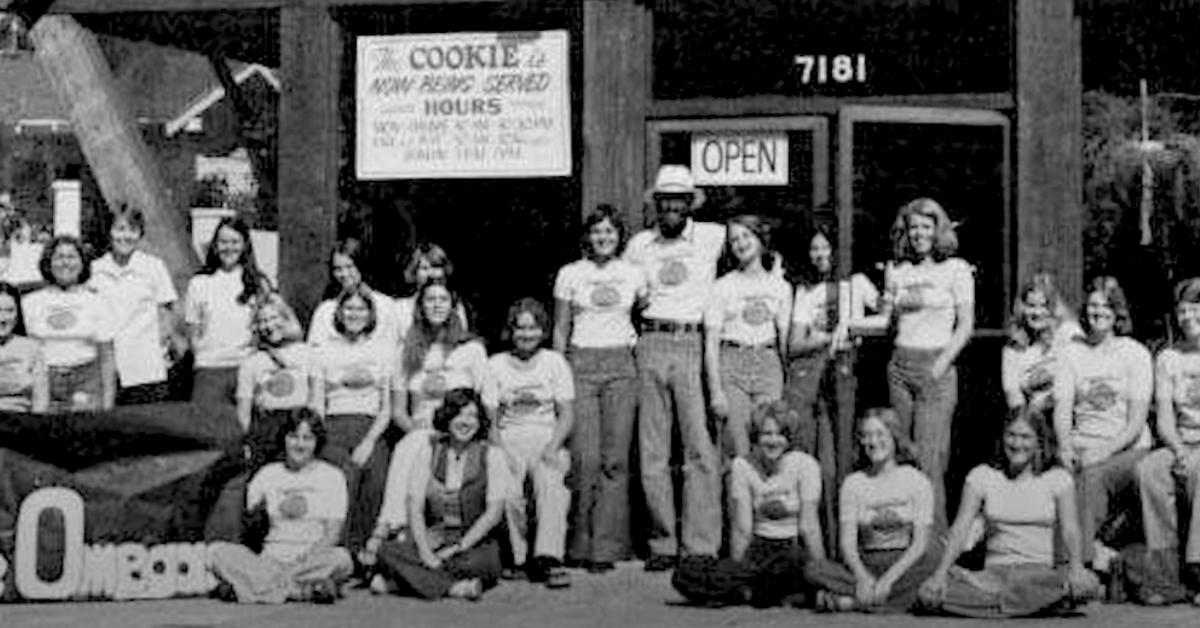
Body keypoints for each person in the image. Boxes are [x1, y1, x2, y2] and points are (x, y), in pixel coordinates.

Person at [623, 164, 725, 570]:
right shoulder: (639, 245)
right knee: (653, 450)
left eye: (678, 200)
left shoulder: (713, 237)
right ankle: (663, 543)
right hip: (650, 340)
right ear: (656, 204)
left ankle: (700, 544)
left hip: (691, 341)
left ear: (689, 203)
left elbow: (755, 243)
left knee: (699, 448)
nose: (671, 207)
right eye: (664, 200)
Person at [918, 409, 1100, 617]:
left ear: (1039, 441)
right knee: (929, 591)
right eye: (1011, 435)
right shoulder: (981, 476)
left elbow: (1070, 530)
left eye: (1025, 437)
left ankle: (996, 605)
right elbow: (960, 528)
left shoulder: (1058, 478)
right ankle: (1028, 605)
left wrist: (1076, 568)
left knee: (1086, 585)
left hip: (1039, 575)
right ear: (1002, 437)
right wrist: (940, 574)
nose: (1017, 443)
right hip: (993, 575)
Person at [552, 204, 645, 572]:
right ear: (587, 237)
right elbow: (560, 326)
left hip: (622, 364)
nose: (603, 237)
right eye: (596, 231)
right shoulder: (571, 273)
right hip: (581, 363)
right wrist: (558, 370)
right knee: (584, 458)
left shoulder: (633, 274)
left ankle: (607, 548)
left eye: (609, 231)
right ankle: (579, 544)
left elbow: (642, 314)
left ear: (619, 235)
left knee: (615, 459)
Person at [370, 280, 487, 555]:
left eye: (443, 300)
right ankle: (398, 528)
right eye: (430, 300)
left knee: (409, 447)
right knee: (410, 444)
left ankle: (386, 527)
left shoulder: (470, 349)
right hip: (421, 430)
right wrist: (416, 429)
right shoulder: (406, 351)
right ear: (420, 307)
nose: (436, 305)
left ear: (453, 307)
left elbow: (483, 402)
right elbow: (399, 411)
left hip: (460, 431)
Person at [880, 198, 975, 529]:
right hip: (900, 366)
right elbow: (890, 322)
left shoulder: (956, 269)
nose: (919, 233)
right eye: (913, 227)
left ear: (938, 230)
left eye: (925, 226)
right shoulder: (899, 270)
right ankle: (904, 540)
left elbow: (966, 325)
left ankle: (935, 546)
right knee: (903, 455)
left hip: (935, 366)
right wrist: (888, 302)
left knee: (930, 460)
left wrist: (940, 364)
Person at [672, 401, 823, 607]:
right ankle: (752, 593)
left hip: (791, 548)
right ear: (756, 436)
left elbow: (809, 526)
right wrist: (737, 570)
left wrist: (820, 571)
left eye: (779, 434)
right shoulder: (742, 465)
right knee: (686, 572)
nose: (772, 441)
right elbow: (742, 528)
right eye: (766, 434)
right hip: (759, 549)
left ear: (789, 438)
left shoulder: (806, 465)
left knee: (795, 570)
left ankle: (754, 593)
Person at [785, 227, 879, 549]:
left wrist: (855, 327)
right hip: (811, 379)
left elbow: (887, 319)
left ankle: (852, 542)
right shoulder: (806, 291)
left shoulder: (858, 284)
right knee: (815, 461)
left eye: (827, 247)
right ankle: (820, 542)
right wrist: (829, 336)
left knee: (845, 460)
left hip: (848, 377)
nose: (821, 254)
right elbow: (796, 343)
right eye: (814, 249)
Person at [372, 388, 511, 601]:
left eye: (472, 416)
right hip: (434, 539)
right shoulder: (429, 450)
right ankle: (454, 588)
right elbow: (414, 507)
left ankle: (400, 584)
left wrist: (458, 547)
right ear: (446, 417)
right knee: (386, 551)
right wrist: (426, 551)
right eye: (458, 415)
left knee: (484, 562)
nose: (465, 422)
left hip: (472, 544)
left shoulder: (492, 455)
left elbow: (493, 514)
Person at [1053, 276, 1152, 568]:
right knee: (1060, 477)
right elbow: (1062, 408)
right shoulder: (1071, 352)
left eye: (1107, 306)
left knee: (1093, 475)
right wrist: (1065, 446)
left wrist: (1104, 451)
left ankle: (1077, 565)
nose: (1098, 312)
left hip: (1127, 449)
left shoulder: (1135, 354)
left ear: (1118, 312)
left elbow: (1136, 423)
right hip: (1082, 444)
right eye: (1093, 305)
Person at [209, 408, 353, 604]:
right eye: (294, 437)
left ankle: (252, 588)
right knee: (217, 552)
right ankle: (300, 592)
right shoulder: (267, 475)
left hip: (310, 560)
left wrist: (306, 559)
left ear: (317, 442)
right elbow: (251, 531)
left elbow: (332, 535)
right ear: (284, 439)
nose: (300, 444)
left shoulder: (332, 477)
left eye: (307, 438)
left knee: (342, 559)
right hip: (269, 561)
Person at [804, 407, 938, 613]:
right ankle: (888, 600)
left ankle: (850, 602)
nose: (873, 442)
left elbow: (920, 544)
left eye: (880, 434)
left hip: (904, 564)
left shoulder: (917, 481)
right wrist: (862, 577)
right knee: (815, 570)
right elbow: (847, 543)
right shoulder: (853, 483)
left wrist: (888, 580)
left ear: (894, 436)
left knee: (937, 564)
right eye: (866, 436)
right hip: (867, 561)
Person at [483, 298, 575, 588]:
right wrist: (502, 451)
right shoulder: (495, 364)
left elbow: (567, 414)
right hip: (508, 438)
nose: (526, 334)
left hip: (546, 435)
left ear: (543, 331)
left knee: (550, 480)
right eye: (520, 328)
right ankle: (519, 558)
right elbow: (491, 421)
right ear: (510, 331)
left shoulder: (554, 362)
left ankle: (549, 557)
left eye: (533, 328)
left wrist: (552, 446)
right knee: (508, 486)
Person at [311, 286, 395, 555]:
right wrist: (321, 437)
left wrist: (369, 441)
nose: (354, 314)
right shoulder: (323, 350)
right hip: (333, 426)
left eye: (361, 308)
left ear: (370, 314)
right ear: (339, 312)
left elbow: (387, 407)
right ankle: (338, 551)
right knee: (342, 476)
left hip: (370, 426)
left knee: (376, 477)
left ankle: (363, 552)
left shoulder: (384, 351)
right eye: (349, 308)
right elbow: (317, 402)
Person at [704, 214, 791, 461]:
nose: (741, 243)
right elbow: (711, 343)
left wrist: (785, 379)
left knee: (770, 442)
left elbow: (785, 340)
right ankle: (737, 500)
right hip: (732, 363)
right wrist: (716, 391)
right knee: (737, 447)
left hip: (768, 362)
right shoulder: (722, 286)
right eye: (734, 240)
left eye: (746, 236)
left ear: (760, 239)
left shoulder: (780, 287)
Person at [1136, 277, 1200, 605]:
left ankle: (1198, 571)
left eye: (1195, 308)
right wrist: (1177, 449)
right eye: (1183, 310)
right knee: (1150, 469)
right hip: (1181, 441)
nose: (1188, 316)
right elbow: (1164, 417)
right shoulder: (1168, 358)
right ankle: (1164, 575)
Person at [89, 207, 181, 405]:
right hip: (106, 371)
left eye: (132, 230)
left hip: (146, 369)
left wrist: (159, 347)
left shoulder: (154, 267)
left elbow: (167, 313)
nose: (125, 236)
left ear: (140, 234)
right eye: (119, 229)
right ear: (109, 232)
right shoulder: (94, 270)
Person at [185, 216, 277, 408]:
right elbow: (192, 332)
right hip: (209, 370)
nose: (229, 248)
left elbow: (275, 325)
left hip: (246, 368)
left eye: (235, 242)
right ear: (215, 246)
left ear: (245, 245)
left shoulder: (259, 283)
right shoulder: (199, 283)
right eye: (223, 242)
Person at [23, 236, 116, 413]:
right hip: (43, 381)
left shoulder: (97, 302)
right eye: (59, 257)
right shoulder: (30, 303)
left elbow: (107, 357)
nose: (65, 262)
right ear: (48, 263)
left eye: (72, 257)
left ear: (83, 263)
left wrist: (108, 406)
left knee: (83, 437)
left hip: (86, 383)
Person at [237, 293, 315, 470]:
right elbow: (244, 412)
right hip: (267, 429)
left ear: (286, 318)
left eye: (274, 317)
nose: (270, 325)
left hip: (299, 424)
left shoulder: (306, 353)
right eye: (263, 321)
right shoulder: (251, 362)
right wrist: (247, 442)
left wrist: (313, 434)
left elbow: (317, 400)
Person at [1001, 273, 1082, 416]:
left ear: (1054, 307)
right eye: (1031, 306)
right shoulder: (1014, 347)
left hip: (1071, 412)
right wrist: (1023, 419)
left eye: (1044, 305)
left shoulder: (1069, 333)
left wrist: (1047, 399)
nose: (1037, 313)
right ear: (1021, 307)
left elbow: (1080, 376)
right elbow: (1012, 392)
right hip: (1035, 419)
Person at [307, 238, 398, 348]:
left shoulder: (385, 306)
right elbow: (314, 350)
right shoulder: (325, 310)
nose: (344, 274)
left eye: (349, 267)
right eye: (338, 269)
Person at [394, 242, 468, 341]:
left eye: (436, 267)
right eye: (424, 268)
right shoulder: (400, 308)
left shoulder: (454, 308)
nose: (431, 273)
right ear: (415, 272)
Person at [0, 281, 45, 411]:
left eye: (9, 311)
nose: (3, 319)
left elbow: (41, 401)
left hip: (23, 424)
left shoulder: (32, 349)